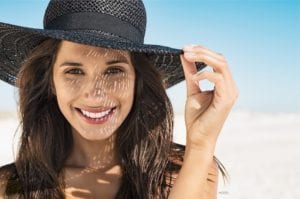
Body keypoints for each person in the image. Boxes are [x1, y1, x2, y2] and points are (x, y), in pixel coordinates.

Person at [0, 0, 238, 198]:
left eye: (113, 70)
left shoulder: (185, 170)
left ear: (138, 80)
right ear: (51, 82)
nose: (95, 93)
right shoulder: (8, 186)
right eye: (74, 71)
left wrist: (201, 144)